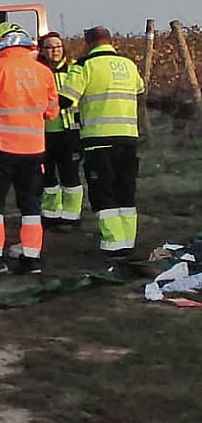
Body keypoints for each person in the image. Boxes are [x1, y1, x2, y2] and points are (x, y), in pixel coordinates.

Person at [0, 22, 60, 277]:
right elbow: (52, 112)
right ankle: (32, 259)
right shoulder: (43, 72)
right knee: (31, 207)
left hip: (1, 150)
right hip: (34, 151)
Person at [59, 26, 147, 260]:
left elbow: (66, 99)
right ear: (110, 41)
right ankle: (128, 242)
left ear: (88, 44)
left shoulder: (84, 66)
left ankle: (113, 244)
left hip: (99, 140)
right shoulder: (128, 64)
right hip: (128, 137)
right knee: (126, 191)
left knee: (103, 192)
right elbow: (140, 87)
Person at [37, 33, 84, 230]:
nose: (55, 50)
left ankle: (71, 217)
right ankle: (50, 214)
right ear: (42, 50)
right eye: (49, 47)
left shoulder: (74, 70)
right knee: (47, 177)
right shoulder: (36, 71)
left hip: (69, 131)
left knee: (70, 176)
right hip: (43, 132)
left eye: (57, 46)